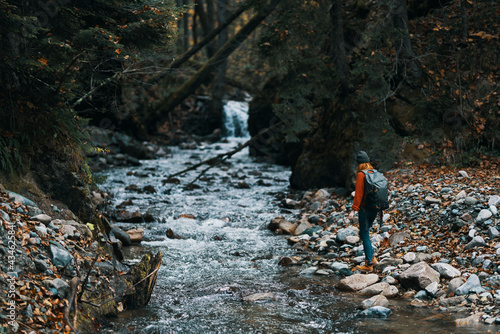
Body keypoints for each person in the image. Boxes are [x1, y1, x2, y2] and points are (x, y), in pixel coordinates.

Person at [348, 151, 379, 272]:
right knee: (365, 232)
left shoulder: (361, 174)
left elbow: (359, 194)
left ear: (359, 164)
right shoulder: (374, 172)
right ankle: (372, 258)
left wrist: (353, 210)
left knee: (364, 234)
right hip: (375, 208)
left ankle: (369, 264)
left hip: (365, 209)